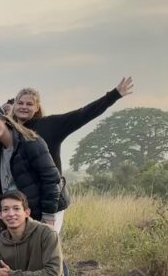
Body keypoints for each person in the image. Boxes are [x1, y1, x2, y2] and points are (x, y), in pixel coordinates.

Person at [9, 77, 135, 231]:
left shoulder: (51, 125)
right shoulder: (9, 131)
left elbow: (82, 114)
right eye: (20, 103)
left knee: (47, 248)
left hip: (50, 200)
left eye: (29, 104)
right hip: (23, 202)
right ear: (14, 106)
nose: (24, 107)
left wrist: (113, 95)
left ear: (36, 108)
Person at [0, 107, 63, 227]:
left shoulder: (31, 142)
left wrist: (48, 215)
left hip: (43, 210)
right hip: (20, 212)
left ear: (4, 120)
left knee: (43, 245)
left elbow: (51, 179)